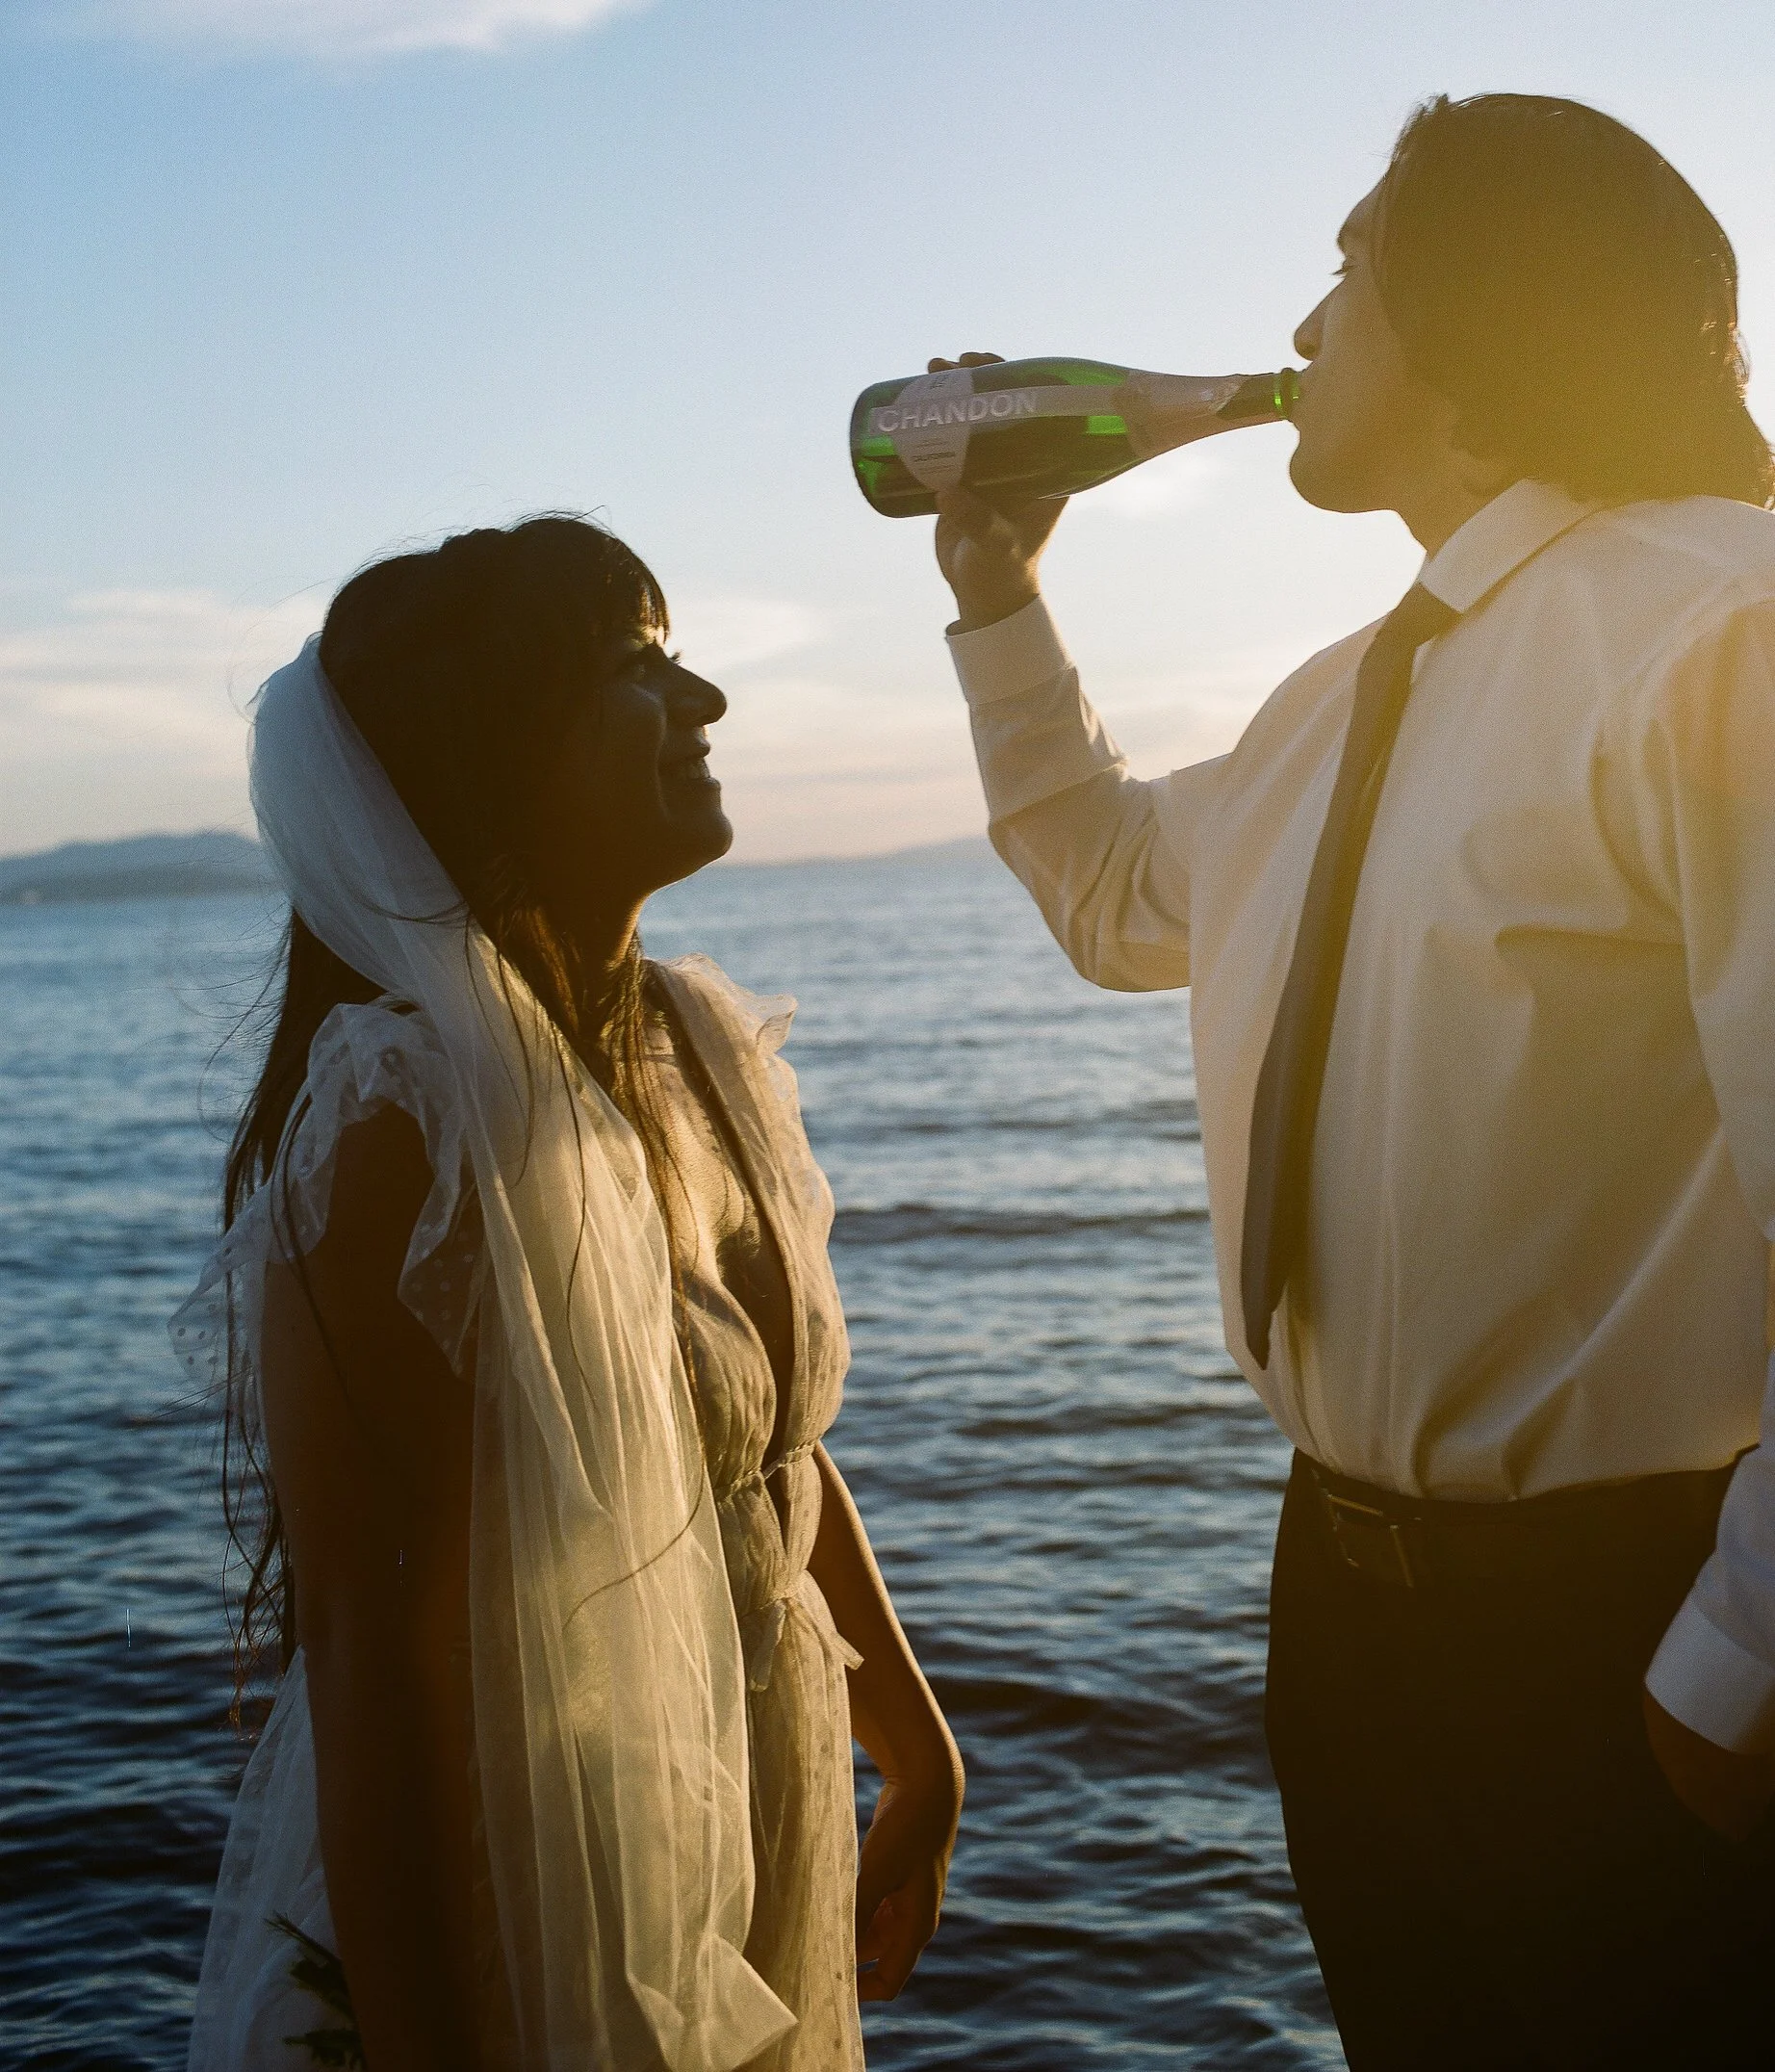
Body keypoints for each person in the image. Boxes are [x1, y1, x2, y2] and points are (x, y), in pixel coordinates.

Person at [926, 93, 1775, 2069]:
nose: (1302, 327)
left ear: (1487, 296)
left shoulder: (1723, 629)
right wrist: (995, 594)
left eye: (1351, 263)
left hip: (1633, 1613)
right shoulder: (1343, 695)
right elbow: (1116, 889)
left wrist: (1737, 1658)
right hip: (1348, 1612)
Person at [173, 516, 963, 2070]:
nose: (705, 703)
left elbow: (770, 1455)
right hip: (542, 1874)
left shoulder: (698, 1048)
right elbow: (371, 1656)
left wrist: (917, 1747)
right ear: (496, 754)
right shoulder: (406, 1129)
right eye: (636, 668)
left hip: (749, 1787)